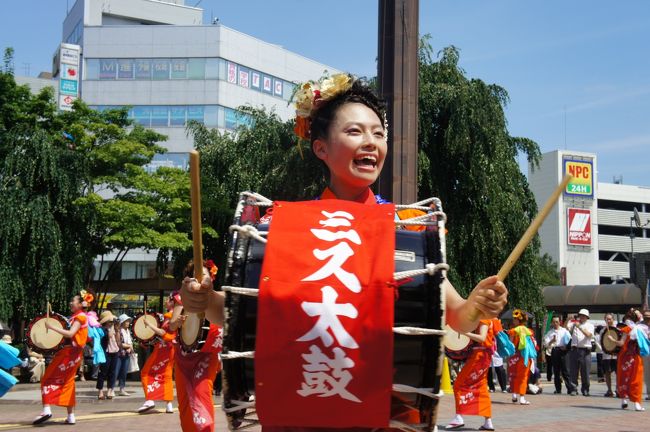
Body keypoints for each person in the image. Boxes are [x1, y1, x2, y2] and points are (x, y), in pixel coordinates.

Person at [181, 73, 508, 431]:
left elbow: (457, 317)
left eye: (378, 134)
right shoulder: (282, 225)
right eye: (354, 132)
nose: (370, 142)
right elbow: (240, 314)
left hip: (382, 414)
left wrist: (478, 304)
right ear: (321, 148)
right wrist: (205, 299)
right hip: (303, 408)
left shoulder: (404, 228)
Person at [33, 291, 92, 425]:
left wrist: (52, 327)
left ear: (81, 304)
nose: (71, 303)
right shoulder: (76, 316)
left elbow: (70, 333)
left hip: (68, 353)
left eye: (73, 300)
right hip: (75, 354)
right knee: (67, 382)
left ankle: (47, 409)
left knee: (47, 378)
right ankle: (71, 416)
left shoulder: (80, 317)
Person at [446, 319, 498, 431]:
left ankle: (459, 417)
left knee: (459, 384)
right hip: (483, 356)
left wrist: (464, 333)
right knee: (481, 387)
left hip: (479, 356)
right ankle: (488, 422)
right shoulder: (488, 318)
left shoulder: (484, 319)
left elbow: (482, 338)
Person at [136, 291, 184, 414]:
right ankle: (169, 404)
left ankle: (150, 399)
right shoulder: (177, 317)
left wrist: (150, 325)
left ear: (173, 302)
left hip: (164, 350)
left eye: (168, 300)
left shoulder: (170, 317)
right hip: (171, 349)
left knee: (146, 372)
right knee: (166, 375)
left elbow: (163, 334)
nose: (166, 302)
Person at [610, 308, 645, 411]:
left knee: (624, 377)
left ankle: (624, 400)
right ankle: (637, 403)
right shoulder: (641, 329)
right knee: (636, 379)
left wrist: (612, 340)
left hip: (625, 356)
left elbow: (621, 343)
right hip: (636, 356)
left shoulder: (627, 329)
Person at [507, 309, 536, 405]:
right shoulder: (529, 331)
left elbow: (510, 344)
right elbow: (533, 344)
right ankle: (522, 397)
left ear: (519, 320)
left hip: (513, 356)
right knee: (523, 377)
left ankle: (514, 395)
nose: (513, 320)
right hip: (524, 356)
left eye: (515, 319)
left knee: (513, 375)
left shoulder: (512, 331)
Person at [566, 308, 594, 396]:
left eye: (583, 316)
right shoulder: (574, 324)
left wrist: (580, 327)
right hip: (574, 349)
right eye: (580, 315)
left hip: (585, 350)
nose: (581, 317)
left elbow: (589, 335)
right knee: (573, 371)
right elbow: (566, 328)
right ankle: (573, 389)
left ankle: (585, 389)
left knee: (585, 371)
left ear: (586, 317)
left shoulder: (590, 325)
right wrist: (567, 320)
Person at [543, 315, 571, 394]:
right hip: (555, 350)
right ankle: (558, 389)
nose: (555, 323)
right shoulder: (550, 332)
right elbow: (546, 344)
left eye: (557, 322)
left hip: (563, 351)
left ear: (560, 322)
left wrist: (566, 347)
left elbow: (569, 340)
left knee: (565, 370)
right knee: (556, 371)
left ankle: (570, 388)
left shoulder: (564, 331)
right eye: (554, 322)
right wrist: (552, 341)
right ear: (552, 323)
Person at [96, 310, 119, 400]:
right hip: (106, 352)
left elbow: (117, 339)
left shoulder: (114, 328)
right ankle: (100, 391)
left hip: (115, 351)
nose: (111, 322)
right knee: (103, 372)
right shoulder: (102, 329)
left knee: (112, 372)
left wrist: (116, 329)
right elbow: (109, 336)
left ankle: (110, 389)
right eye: (110, 321)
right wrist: (112, 327)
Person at [599, 313, 618, 397]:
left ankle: (618, 389)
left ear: (613, 319)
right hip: (606, 355)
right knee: (607, 372)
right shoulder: (603, 331)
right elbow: (601, 342)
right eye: (607, 319)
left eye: (610, 319)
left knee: (618, 373)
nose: (608, 320)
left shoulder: (617, 329)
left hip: (616, 355)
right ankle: (609, 390)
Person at [115, 314, 134, 396]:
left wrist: (131, 347)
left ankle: (122, 389)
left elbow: (130, 342)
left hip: (127, 354)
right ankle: (111, 388)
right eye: (126, 321)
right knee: (116, 371)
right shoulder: (119, 331)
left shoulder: (128, 331)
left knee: (124, 372)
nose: (128, 323)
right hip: (119, 354)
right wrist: (129, 346)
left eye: (128, 321)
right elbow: (119, 344)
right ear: (122, 322)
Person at [642, 310, 650, 401]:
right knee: (647, 373)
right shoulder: (640, 326)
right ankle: (649, 393)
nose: (647, 318)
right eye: (645, 316)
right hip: (645, 352)